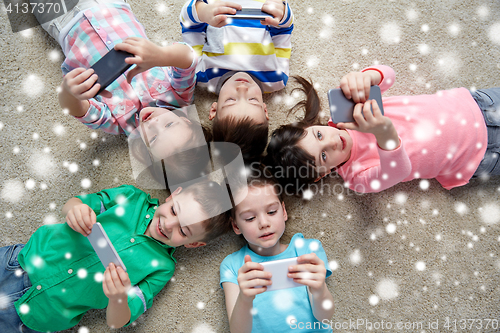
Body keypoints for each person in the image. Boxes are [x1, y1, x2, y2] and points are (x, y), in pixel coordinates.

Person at [0, 181, 231, 332]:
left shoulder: (162, 268)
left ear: (194, 244)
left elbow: (117, 321)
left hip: (40, 316)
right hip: (19, 262)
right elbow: (73, 204)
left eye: (183, 230)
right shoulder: (131, 197)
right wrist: (76, 210)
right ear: (174, 195)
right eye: (173, 211)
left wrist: (118, 297)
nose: (168, 225)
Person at [264, 65, 498, 194]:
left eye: (318, 135)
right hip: (476, 157)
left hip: (474, 104)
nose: (332, 142)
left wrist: (367, 76)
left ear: (313, 125)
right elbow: (397, 171)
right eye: (323, 155)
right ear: (323, 174)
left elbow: (389, 75)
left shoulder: (346, 106)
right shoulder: (357, 178)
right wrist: (384, 133)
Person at [31, 0, 209, 162]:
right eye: (169, 124)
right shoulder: (179, 96)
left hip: (63, 23)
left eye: (153, 139)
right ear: (186, 120)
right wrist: (161, 56)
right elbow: (189, 59)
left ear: (146, 150)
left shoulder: (117, 123)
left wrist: (69, 93)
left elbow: (78, 110)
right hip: (110, 6)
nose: (154, 124)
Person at [220, 166, 335, 332]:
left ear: (284, 212)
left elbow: (325, 317)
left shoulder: (307, 249)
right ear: (236, 226)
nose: (264, 223)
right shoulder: (232, 265)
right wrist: (245, 299)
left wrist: (319, 290)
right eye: (250, 218)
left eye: (272, 212)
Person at [179, 0, 295, 162]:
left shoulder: (201, 74)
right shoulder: (277, 78)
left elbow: (189, 24)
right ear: (265, 109)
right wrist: (284, 15)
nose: (242, 88)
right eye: (252, 100)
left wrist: (203, 12)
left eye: (231, 99)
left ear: (214, 109)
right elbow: (284, 32)